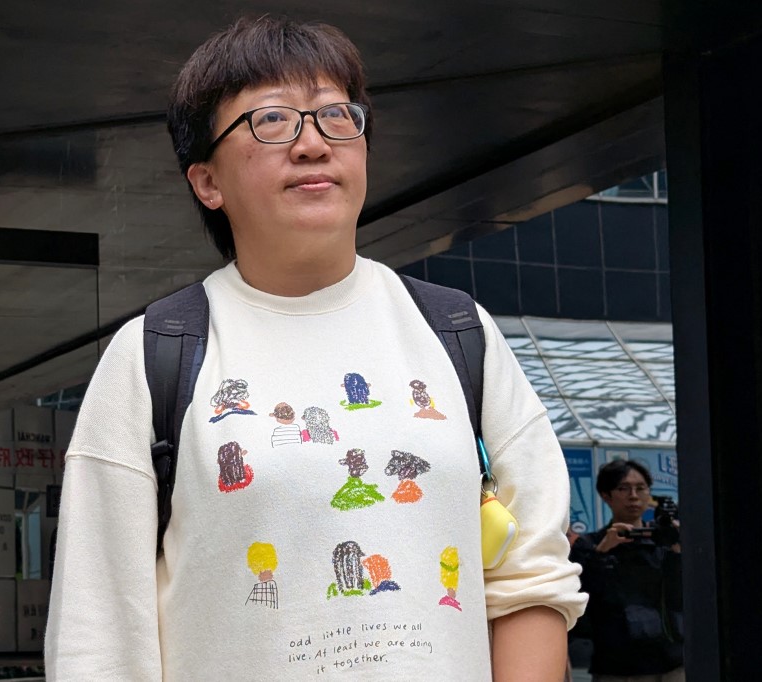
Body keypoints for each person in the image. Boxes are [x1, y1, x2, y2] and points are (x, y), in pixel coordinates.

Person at [45, 16, 585, 680]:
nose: (312, 145)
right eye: (272, 122)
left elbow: (531, 578)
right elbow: (99, 635)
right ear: (207, 182)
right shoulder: (155, 353)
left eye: (336, 116)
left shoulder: (455, 332)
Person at [570, 460, 684, 681]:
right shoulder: (590, 545)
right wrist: (602, 553)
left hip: (670, 662)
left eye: (641, 488)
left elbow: (681, 596)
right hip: (617, 666)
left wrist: (676, 550)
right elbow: (584, 599)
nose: (634, 496)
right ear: (606, 495)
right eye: (623, 488)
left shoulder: (664, 542)